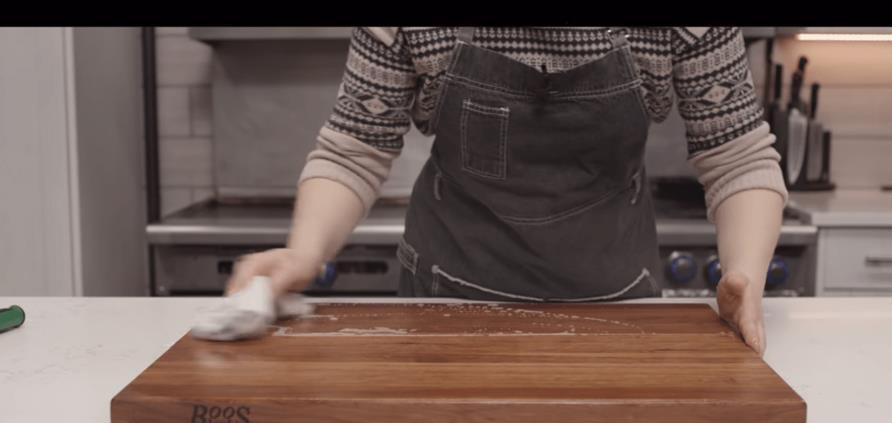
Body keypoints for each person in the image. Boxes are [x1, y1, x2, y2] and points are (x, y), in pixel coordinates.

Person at [226, 27, 788, 356]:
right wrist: (305, 251)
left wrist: (745, 275)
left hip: (619, 309)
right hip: (443, 310)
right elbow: (354, 147)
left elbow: (736, 153)